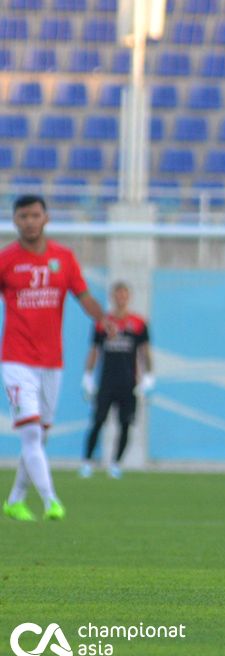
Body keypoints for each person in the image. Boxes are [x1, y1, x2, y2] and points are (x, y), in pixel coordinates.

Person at [2, 195, 114, 522]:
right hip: (16, 359)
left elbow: (84, 297)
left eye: (35, 215)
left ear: (46, 218)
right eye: (23, 216)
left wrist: (102, 318)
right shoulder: (6, 260)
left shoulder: (63, 259)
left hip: (51, 362)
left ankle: (15, 500)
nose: (29, 221)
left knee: (39, 435)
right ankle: (52, 501)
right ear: (15, 221)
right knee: (32, 434)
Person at [79, 281, 154, 480]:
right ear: (112, 296)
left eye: (124, 294)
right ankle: (87, 462)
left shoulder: (138, 323)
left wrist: (148, 376)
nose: (121, 298)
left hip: (128, 383)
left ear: (128, 297)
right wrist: (87, 376)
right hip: (106, 382)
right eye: (117, 294)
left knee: (125, 424)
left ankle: (115, 463)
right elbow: (94, 350)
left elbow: (145, 351)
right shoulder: (103, 323)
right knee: (97, 422)